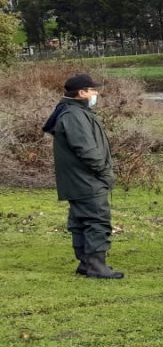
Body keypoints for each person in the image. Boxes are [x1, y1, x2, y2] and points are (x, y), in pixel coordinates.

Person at [42, 73, 122, 279]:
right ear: (82, 92)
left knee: (81, 221)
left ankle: (86, 264)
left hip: (79, 180)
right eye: (93, 90)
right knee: (96, 221)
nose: (96, 93)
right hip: (86, 180)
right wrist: (104, 173)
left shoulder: (73, 112)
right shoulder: (73, 115)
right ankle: (96, 266)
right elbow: (87, 150)